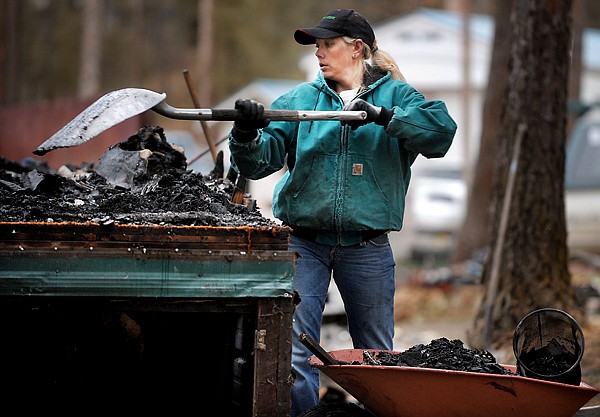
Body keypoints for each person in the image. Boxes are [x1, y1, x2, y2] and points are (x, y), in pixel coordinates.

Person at [227, 8, 457, 417]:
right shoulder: (300, 100)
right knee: (294, 357)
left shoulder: (398, 97)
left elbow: (440, 134)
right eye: (317, 46)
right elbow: (258, 162)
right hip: (304, 244)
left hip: (367, 249)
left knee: (376, 360)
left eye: (328, 44)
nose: (319, 53)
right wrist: (245, 133)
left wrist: (386, 118)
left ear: (357, 49)